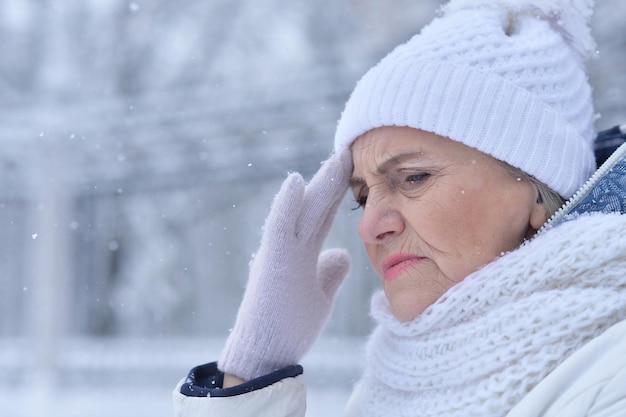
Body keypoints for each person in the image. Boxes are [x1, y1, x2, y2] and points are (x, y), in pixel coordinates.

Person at [173, 0, 626, 415]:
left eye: (413, 178)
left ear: (534, 187)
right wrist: (252, 368)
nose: (370, 226)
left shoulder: (609, 379)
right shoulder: (393, 384)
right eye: (362, 197)